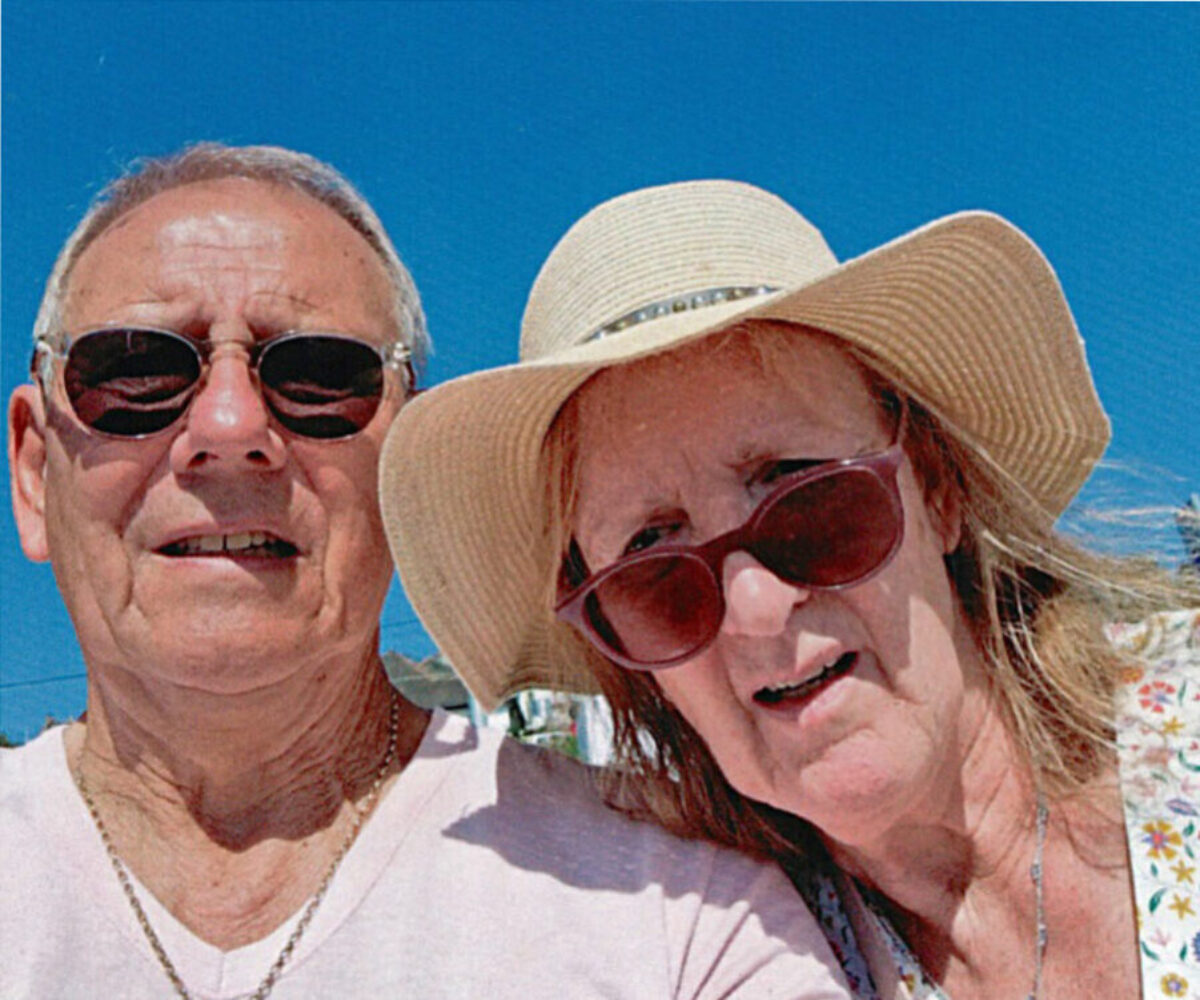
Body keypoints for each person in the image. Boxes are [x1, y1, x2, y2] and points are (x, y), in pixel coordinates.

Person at [1, 150, 854, 999]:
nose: (229, 425)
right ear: (35, 473)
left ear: (404, 471)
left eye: (320, 378)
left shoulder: (681, 906)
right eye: (136, 372)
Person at [380, 180, 1200, 998]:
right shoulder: (716, 953)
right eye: (655, 572)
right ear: (629, 657)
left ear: (938, 491)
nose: (757, 609)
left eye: (804, 497)